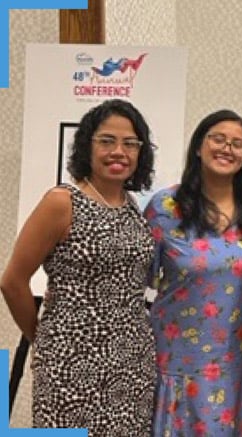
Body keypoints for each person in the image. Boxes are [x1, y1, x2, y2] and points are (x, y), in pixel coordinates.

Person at [0, 99, 156, 435]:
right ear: (87, 146)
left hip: (132, 364)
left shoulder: (131, 206)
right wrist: (42, 338)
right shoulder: (62, 202)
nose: (119, 151)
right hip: (71, 363)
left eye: (130, 144)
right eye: (107, 141)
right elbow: (12, 282)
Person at [144, 109, 242, 437]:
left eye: (237, 144)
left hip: (233, 360)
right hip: (176, 360)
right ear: (199, 146)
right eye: (218, 139)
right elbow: (132, 278)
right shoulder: (165, 207)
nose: (227, 148)